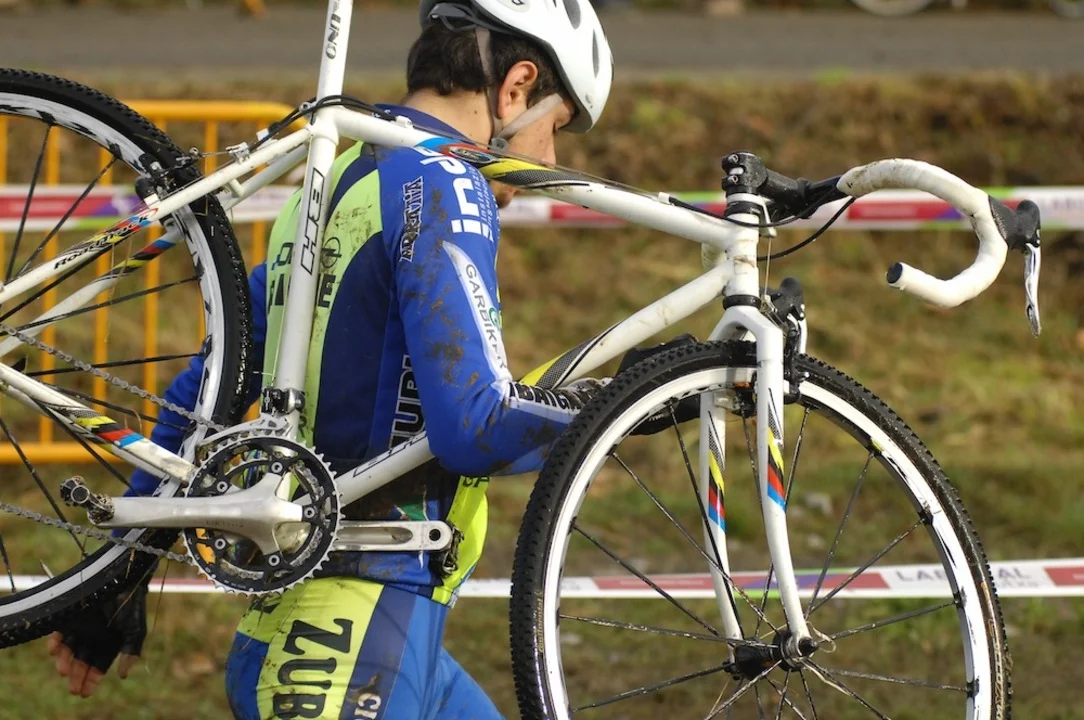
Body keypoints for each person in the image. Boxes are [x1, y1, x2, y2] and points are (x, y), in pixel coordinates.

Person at [46, 1, 614, 717]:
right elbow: (475, 426)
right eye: (556, 128)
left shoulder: (338, 175)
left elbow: (209, 389)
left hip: (348, 627)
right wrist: (624, 407)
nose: (551, 162)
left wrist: (120, 569)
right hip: (347, 643)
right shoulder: (445, 182)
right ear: (516, 88)